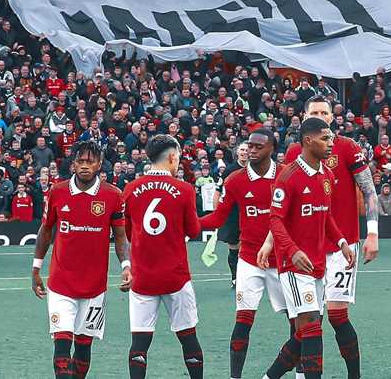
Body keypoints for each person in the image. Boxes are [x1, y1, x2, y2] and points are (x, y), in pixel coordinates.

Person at [281, 97, 378, 379]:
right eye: (315, 112)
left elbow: (369, 190)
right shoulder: (294, 152)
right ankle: (303, 374)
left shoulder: (348, 147)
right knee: (306, 318)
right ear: (304, 117)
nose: (321, 116)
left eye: (325, 112)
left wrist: (372, 233)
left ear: (332, 117)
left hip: (342, 243)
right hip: (305, 246)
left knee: (336, 314)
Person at [266, 117, 356, 379]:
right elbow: (275, 220)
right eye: (325, 139)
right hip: (294, 266)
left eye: (331, 138)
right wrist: (292, 250)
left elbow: (326, 216)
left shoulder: (327, 175)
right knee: (312, 326)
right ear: (308, 140)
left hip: (318, 264)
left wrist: (341, 243)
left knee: (303, 333)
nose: (331, 144)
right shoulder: (288, 176)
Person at [31, 140, 129, 379]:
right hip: (61, 284)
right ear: (73, 164)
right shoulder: (57, 191)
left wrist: (126, 266)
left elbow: (120, 236)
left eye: (90, 161)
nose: (85, 165)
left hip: (95, 287)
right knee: (62, 347)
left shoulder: (113, 195)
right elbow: (46, 230)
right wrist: (36, 268)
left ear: (99, 165)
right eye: (81, 161)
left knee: (83, 349)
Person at [198, 129, 286, 379]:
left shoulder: (286, 175)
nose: (252, 150)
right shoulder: (235, 180)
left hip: (283, 262)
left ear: (272, 149)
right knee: (243, 320)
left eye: (259, 146)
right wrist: (188, 223)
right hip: (249, 260)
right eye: (250, 146)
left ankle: (300, 373)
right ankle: (234, 376)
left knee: (297, 322)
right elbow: (218, 217)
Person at [122, 135, 203, 379]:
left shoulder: (131, 188)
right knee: (188, 337)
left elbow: (128, 232)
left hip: (143, 278)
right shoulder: (185, 190)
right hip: (175, 277)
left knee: (139, 344)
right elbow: (194, 231)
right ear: (172, 157)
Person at [218, 141, 249, 289]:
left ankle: (249, 277)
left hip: (250, 213)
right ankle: (235, 278)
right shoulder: (229, 170)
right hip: (233, 214)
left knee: (250, 246)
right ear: (237, 152)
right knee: (234, 246)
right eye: (242, 150)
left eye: (246, 150)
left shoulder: (256, 168)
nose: (244, 152)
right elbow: (219, 191)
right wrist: (218, 212)